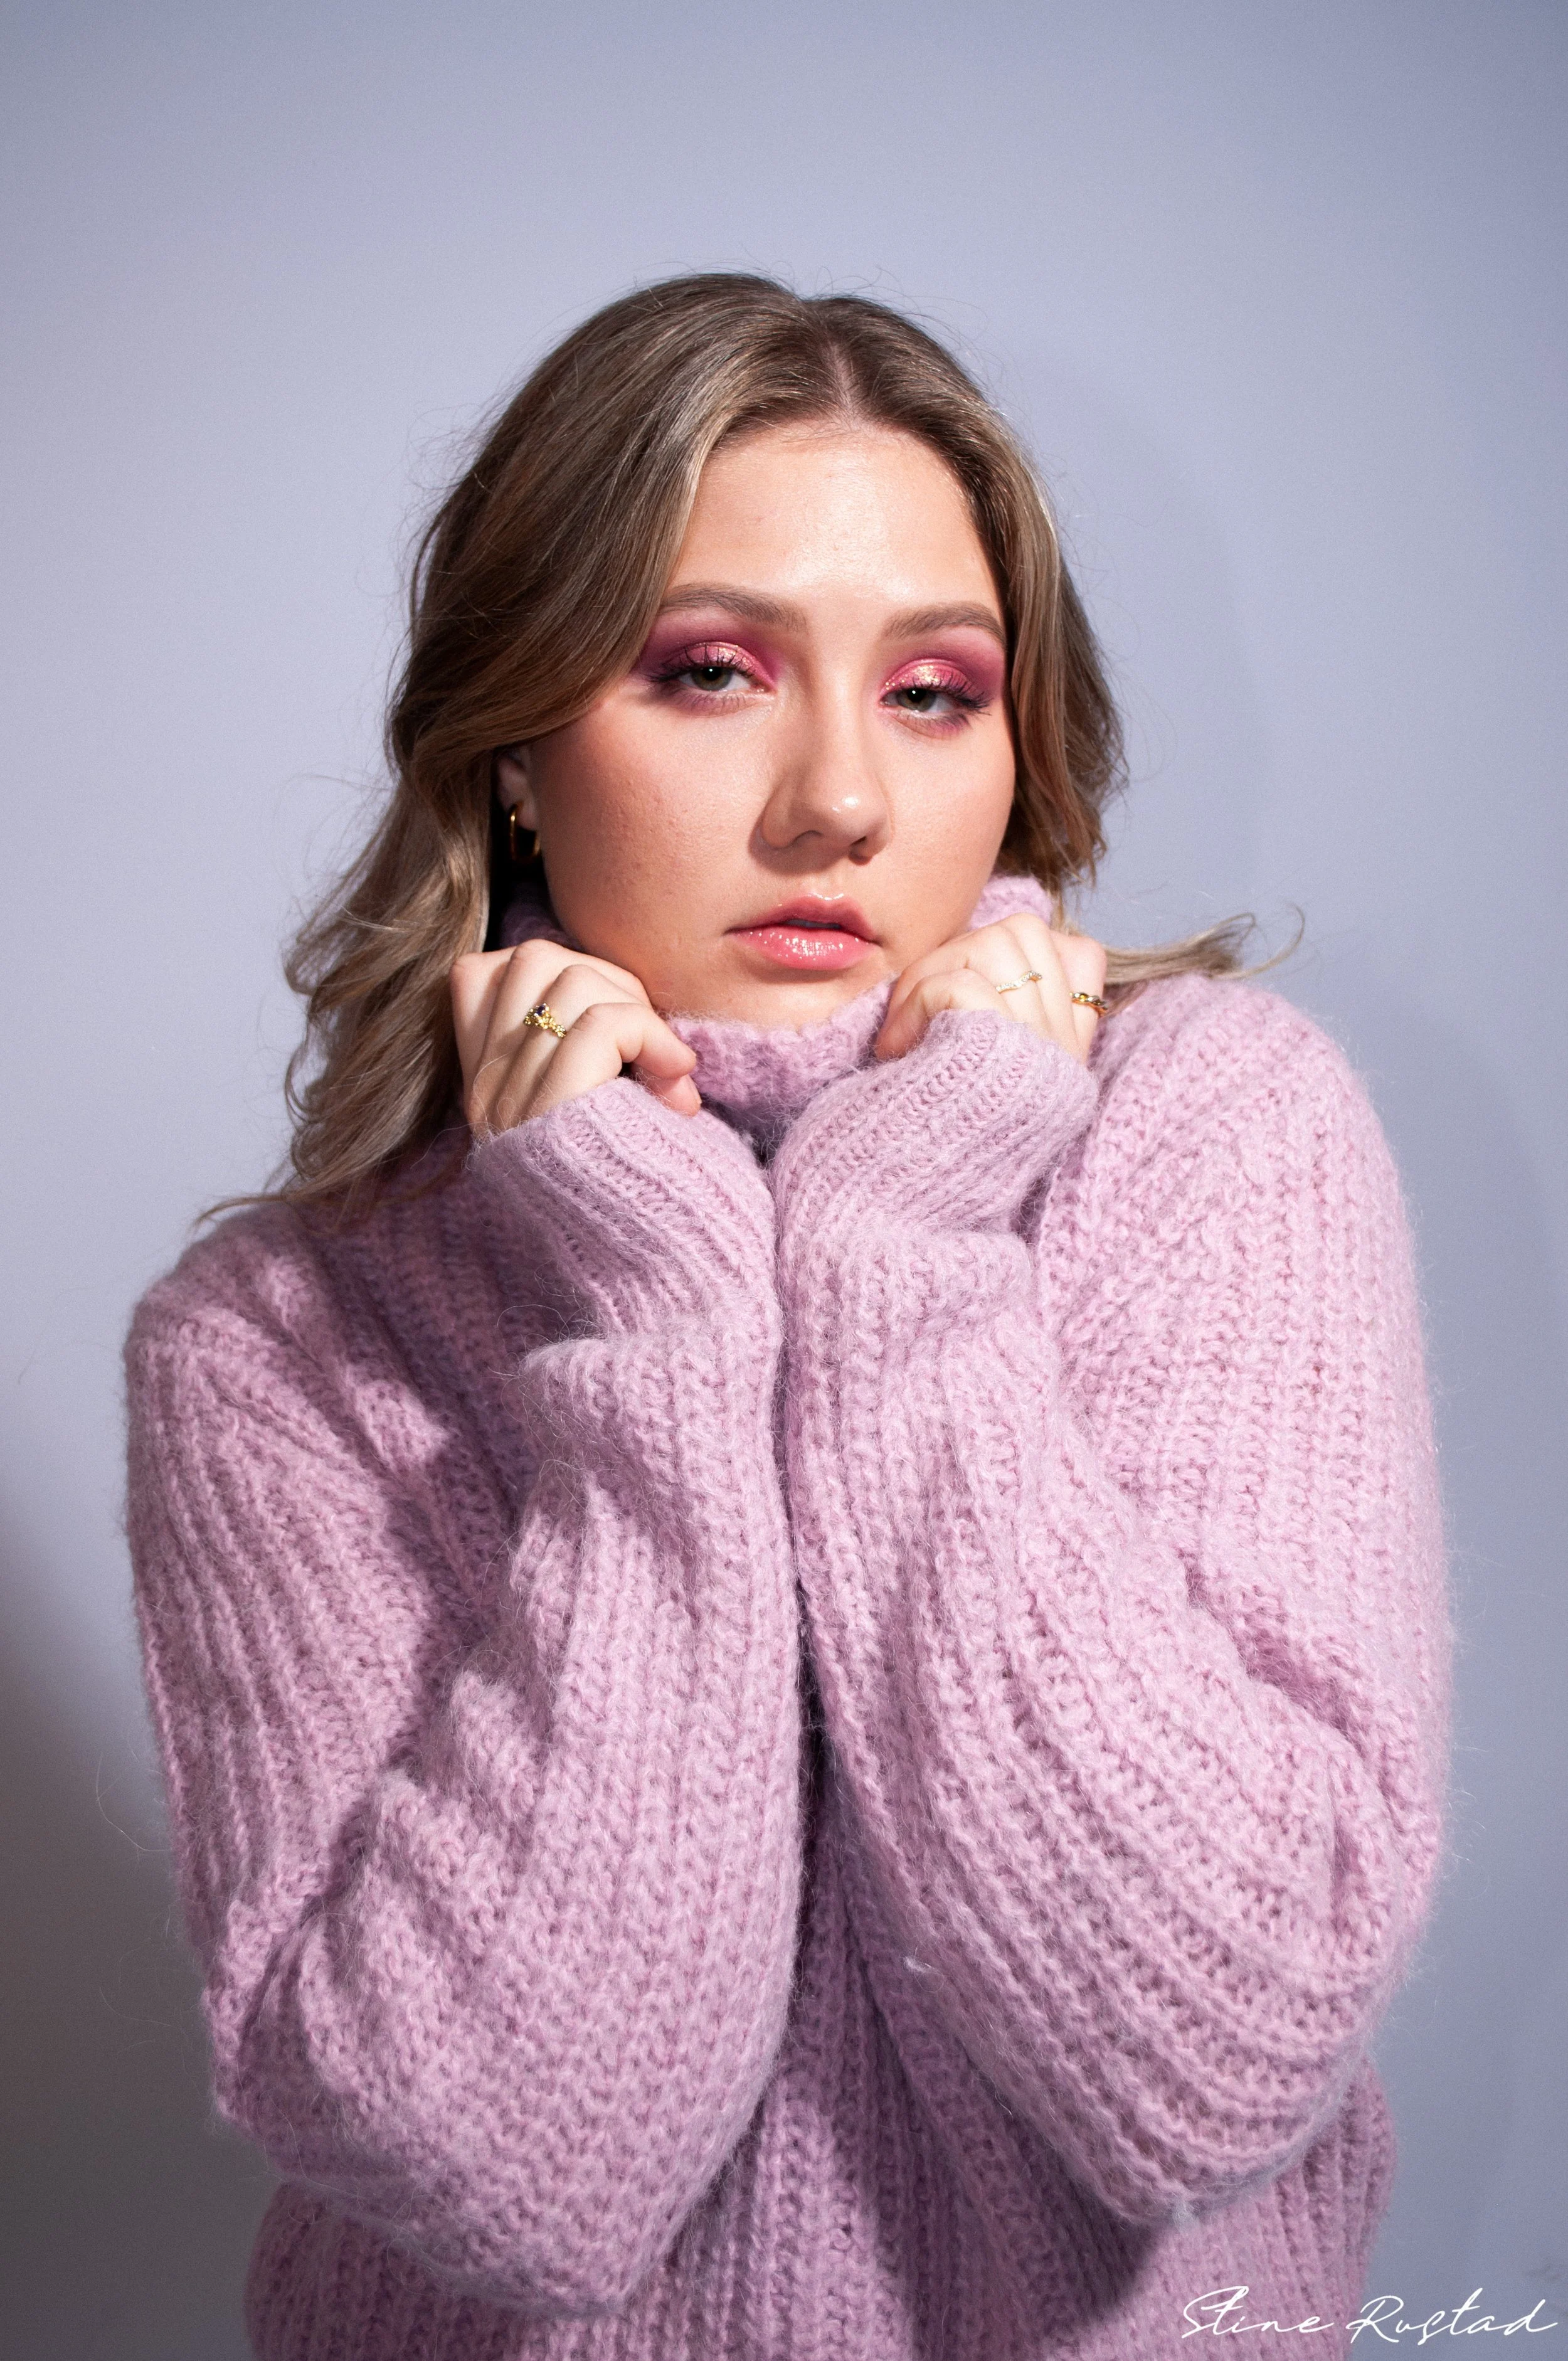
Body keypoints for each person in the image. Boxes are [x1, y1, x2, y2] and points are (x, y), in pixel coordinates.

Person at [124, 273, 1452, 2361]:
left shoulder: (1208, 1129)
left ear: (1017, 755)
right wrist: (653, 1324)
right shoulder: (273, 1343)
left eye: (934, 691)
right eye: (711, 669)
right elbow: (510, 2170)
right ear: (512, 755)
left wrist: (901, 1258)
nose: (836, 794)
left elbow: (1210, 2045)